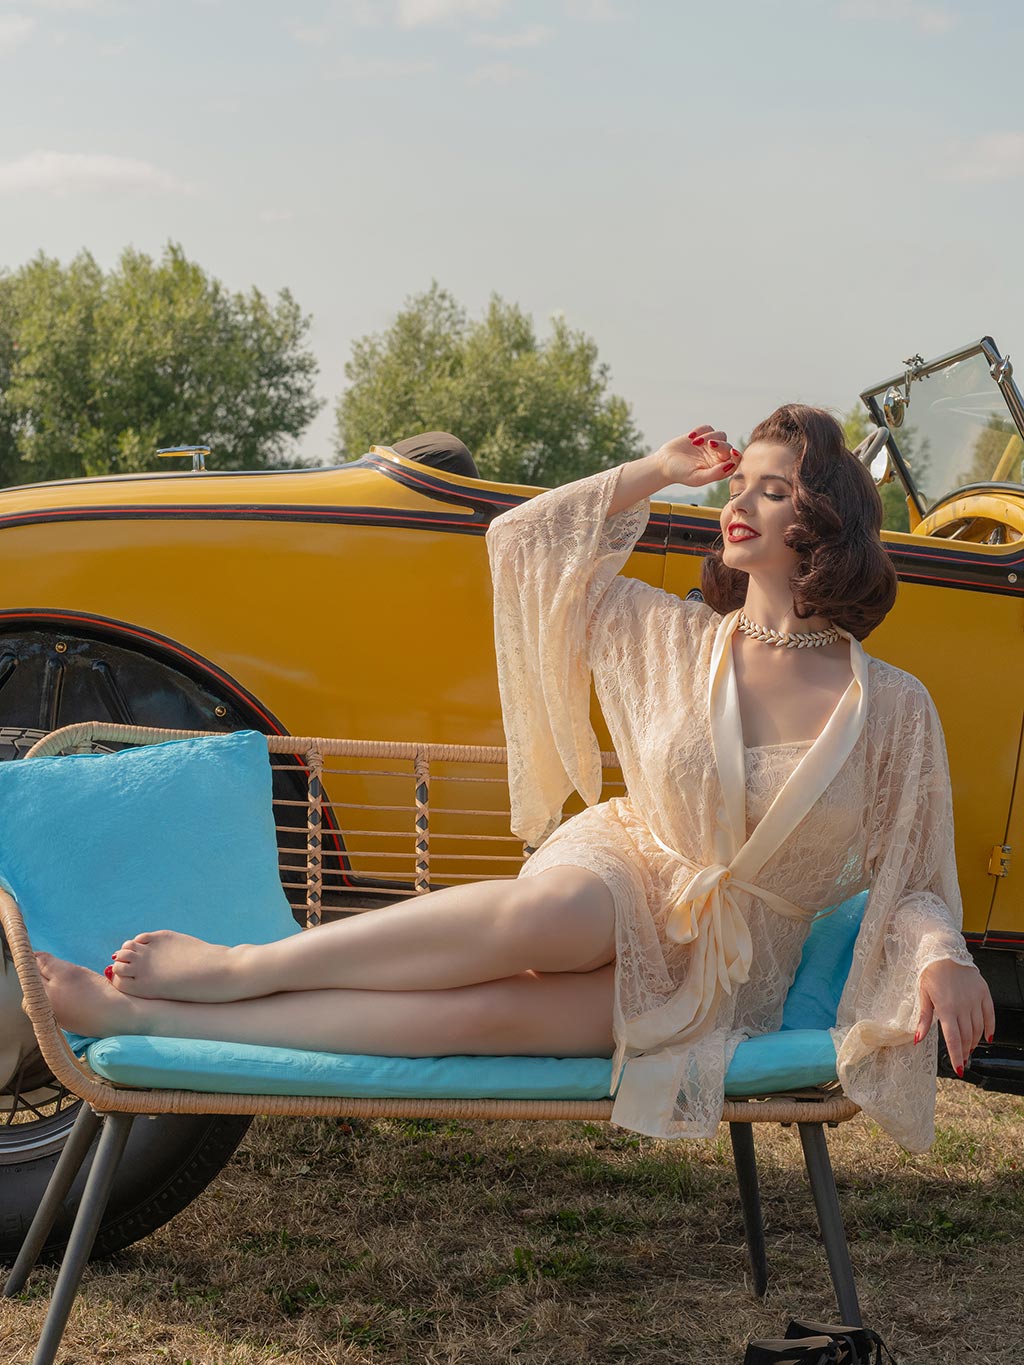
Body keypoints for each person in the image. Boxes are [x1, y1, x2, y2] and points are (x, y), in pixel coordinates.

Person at [36, 405, 994, 1151]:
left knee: (476, 1018)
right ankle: (239, 967)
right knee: (551, 915)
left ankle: (140, 1015)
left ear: (824, 521)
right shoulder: (670, 637)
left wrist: (941, 955)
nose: (737, 503)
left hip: (721, 972)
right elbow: (526, 542)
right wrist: (659, 469)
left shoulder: (893, 706)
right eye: (736, 484)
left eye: (771, 490)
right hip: (629, 868)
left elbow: (913, 875)